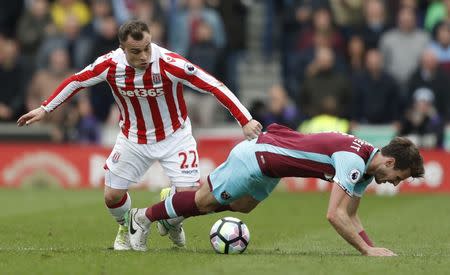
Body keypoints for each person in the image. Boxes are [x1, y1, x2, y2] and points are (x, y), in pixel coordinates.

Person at [17, 20, 262, 251]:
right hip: (133, 138)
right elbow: (76, 81)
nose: (144, 56)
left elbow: (212, 85)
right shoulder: (110, 65)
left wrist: (245, 119)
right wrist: (45, 108)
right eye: (136, 51)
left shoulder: (169, 63)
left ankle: (169, 221)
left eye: (147, 48)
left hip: (175, 137)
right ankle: (126, 226)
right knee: (112, 196)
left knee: (189, 198)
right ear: (122, 49)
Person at [127, 123, 424, 256]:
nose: (395, 183)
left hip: (273, 166)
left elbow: (352, 217)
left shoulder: (366, 170)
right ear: (390, 160)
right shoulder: (354, 162)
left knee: (242, 206)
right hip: (258, 155)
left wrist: (371, 247)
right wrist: (366, 251)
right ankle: (143, 217)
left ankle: (176, 206)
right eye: (399, 176)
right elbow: (335, 215)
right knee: (203, 201)